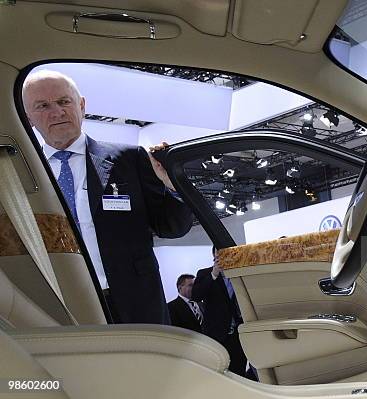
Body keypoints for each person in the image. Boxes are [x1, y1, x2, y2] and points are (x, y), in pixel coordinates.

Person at [22, 70, 194, 325]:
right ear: (28, 118)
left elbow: (173, 227)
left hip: (134, 304)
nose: (56, 112)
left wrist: (172, 184)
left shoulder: (129, 159)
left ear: (81, 105)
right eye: (43, 106)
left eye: (63, 101)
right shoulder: (22, 173)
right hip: (61, 308)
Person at [192, 247, 254, 378]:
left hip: (238, 334)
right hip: (216, 333)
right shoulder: (204, 273)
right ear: (214, 255)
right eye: (219, 253)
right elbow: (196, 296)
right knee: (218, 372)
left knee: (239, 371)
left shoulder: (238, 273)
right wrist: (214, 274)